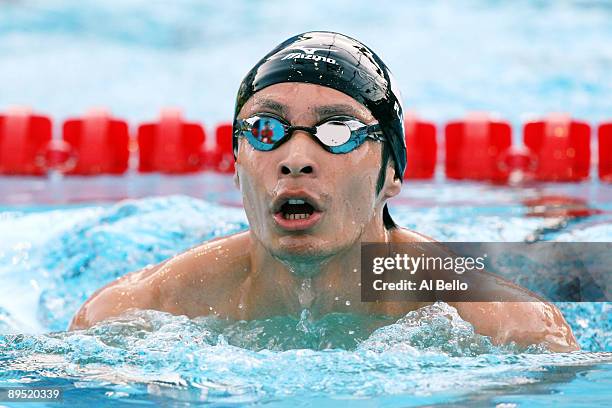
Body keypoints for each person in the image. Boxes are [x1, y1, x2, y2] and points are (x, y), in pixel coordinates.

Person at [69, 31, 578, 352]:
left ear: (392, 175)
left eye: (338, 131)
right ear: (237, 165)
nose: (295, 158)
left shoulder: (506, 327)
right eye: (265, 130)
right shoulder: (137, 312)